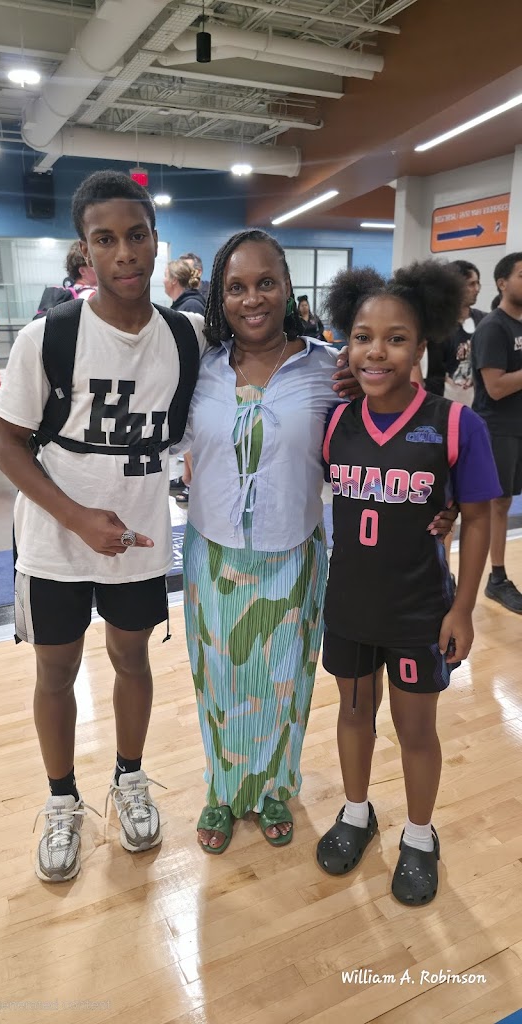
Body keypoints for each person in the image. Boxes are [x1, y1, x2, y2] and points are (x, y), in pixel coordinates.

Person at [178, 230, 456, 855]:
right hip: (213, 554)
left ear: (288, 288)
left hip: (293, 554)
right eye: (237, 287)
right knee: (219, 681)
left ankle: (276, 788)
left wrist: (444, 504)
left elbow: (397, 431)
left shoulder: (332, 369)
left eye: (266, 283)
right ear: (220, 296)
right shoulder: (200, 369)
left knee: (284, 680)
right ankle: (223, 790)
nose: (253, 298)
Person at [0, 170, 206, 883]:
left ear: (155, 239)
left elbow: (261, 363)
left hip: (137, 539)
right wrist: (78, 518)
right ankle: (62, 800)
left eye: (136, 235)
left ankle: (129, 778)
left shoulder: (187, 335)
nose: (124, 252)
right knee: (56, 671)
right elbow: (5, 445)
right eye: (105, 239)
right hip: (55, 538)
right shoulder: (48, 336)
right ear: (85, 250)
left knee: (132, 660)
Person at [317, 262, 501, 906]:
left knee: (416, 729)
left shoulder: (456, 424)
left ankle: (420, 835)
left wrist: (464, 609)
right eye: (362, 336)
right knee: (353, 714)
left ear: (422, 344)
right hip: (349, 603)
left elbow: (478, 517)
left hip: (420, 608)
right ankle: (356, 812)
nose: (376, 351)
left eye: (396, 338)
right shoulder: (335, 423)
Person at [471, 252, 522, 614]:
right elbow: (496, 387)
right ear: (503, 283)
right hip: (498, 429)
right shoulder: (493, 327)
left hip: (519, 427)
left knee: (506, 502)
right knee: (498, 503)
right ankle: (497, 578)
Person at [444, 260, 487, 406]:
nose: (477, 289)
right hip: (449, 401)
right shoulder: (438, 326)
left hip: (480, 401)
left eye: (478, 283)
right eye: (471, 284)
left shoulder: (485, 321)